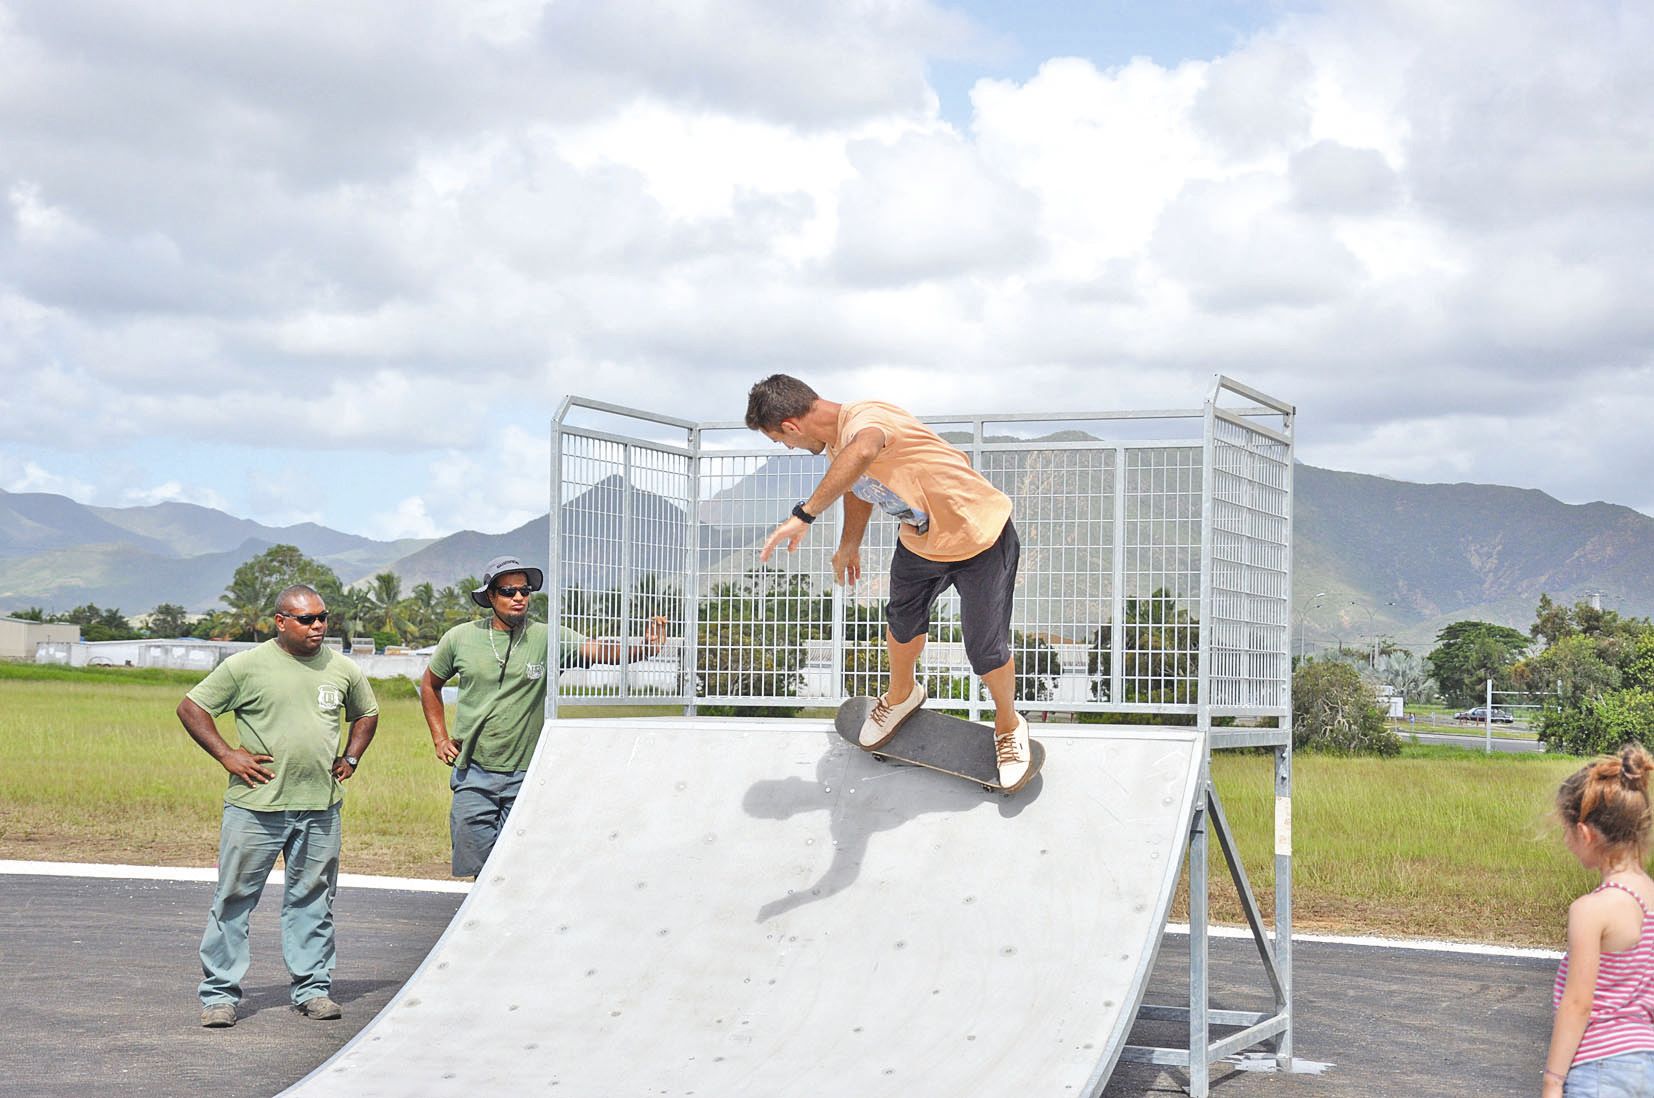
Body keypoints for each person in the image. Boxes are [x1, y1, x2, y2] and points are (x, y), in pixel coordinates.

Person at [746, 373, 1032, 791]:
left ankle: (1008, 726)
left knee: (984, 646)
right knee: (900, 622)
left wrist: (803, 514)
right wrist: (849, 544)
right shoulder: (838, 448)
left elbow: (863, 451)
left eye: (780, 441)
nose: (788, 448)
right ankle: (902, 695)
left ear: (790, 426)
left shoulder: (866, 419)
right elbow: (859, 485)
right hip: (922, 543)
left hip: (980, 536)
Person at [177, 584, 378, 1029]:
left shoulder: (341, 668)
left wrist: (351, 756)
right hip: (256, 808)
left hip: (320, 807)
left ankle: (312, 990)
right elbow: (191, 708)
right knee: (234, 899)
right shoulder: (246, 666)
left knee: (313, 900)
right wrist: (227, 754)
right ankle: (220, 995)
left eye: (323, 617)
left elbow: (366, 713)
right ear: (281, 622)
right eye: (306, 619)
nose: (318, 626)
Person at [420, 555, 667, 877]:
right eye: (508, 591)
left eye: (524, 590)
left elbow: (600, 650)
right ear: (490, 596)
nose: (519, 597)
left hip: (527, 773)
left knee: (515, 866)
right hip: (474, 771)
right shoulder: (460, 638)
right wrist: (439, 738)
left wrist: (646, 648)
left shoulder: (548, 637)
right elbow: (430, 684)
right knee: (477, 865)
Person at [1544, 744, 1654, 1097]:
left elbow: (1578, 1003)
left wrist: (1552, 1080)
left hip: (1599, 1068)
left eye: (1568, 831)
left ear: (1586, 833)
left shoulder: (1591, 910)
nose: (1566, 841)